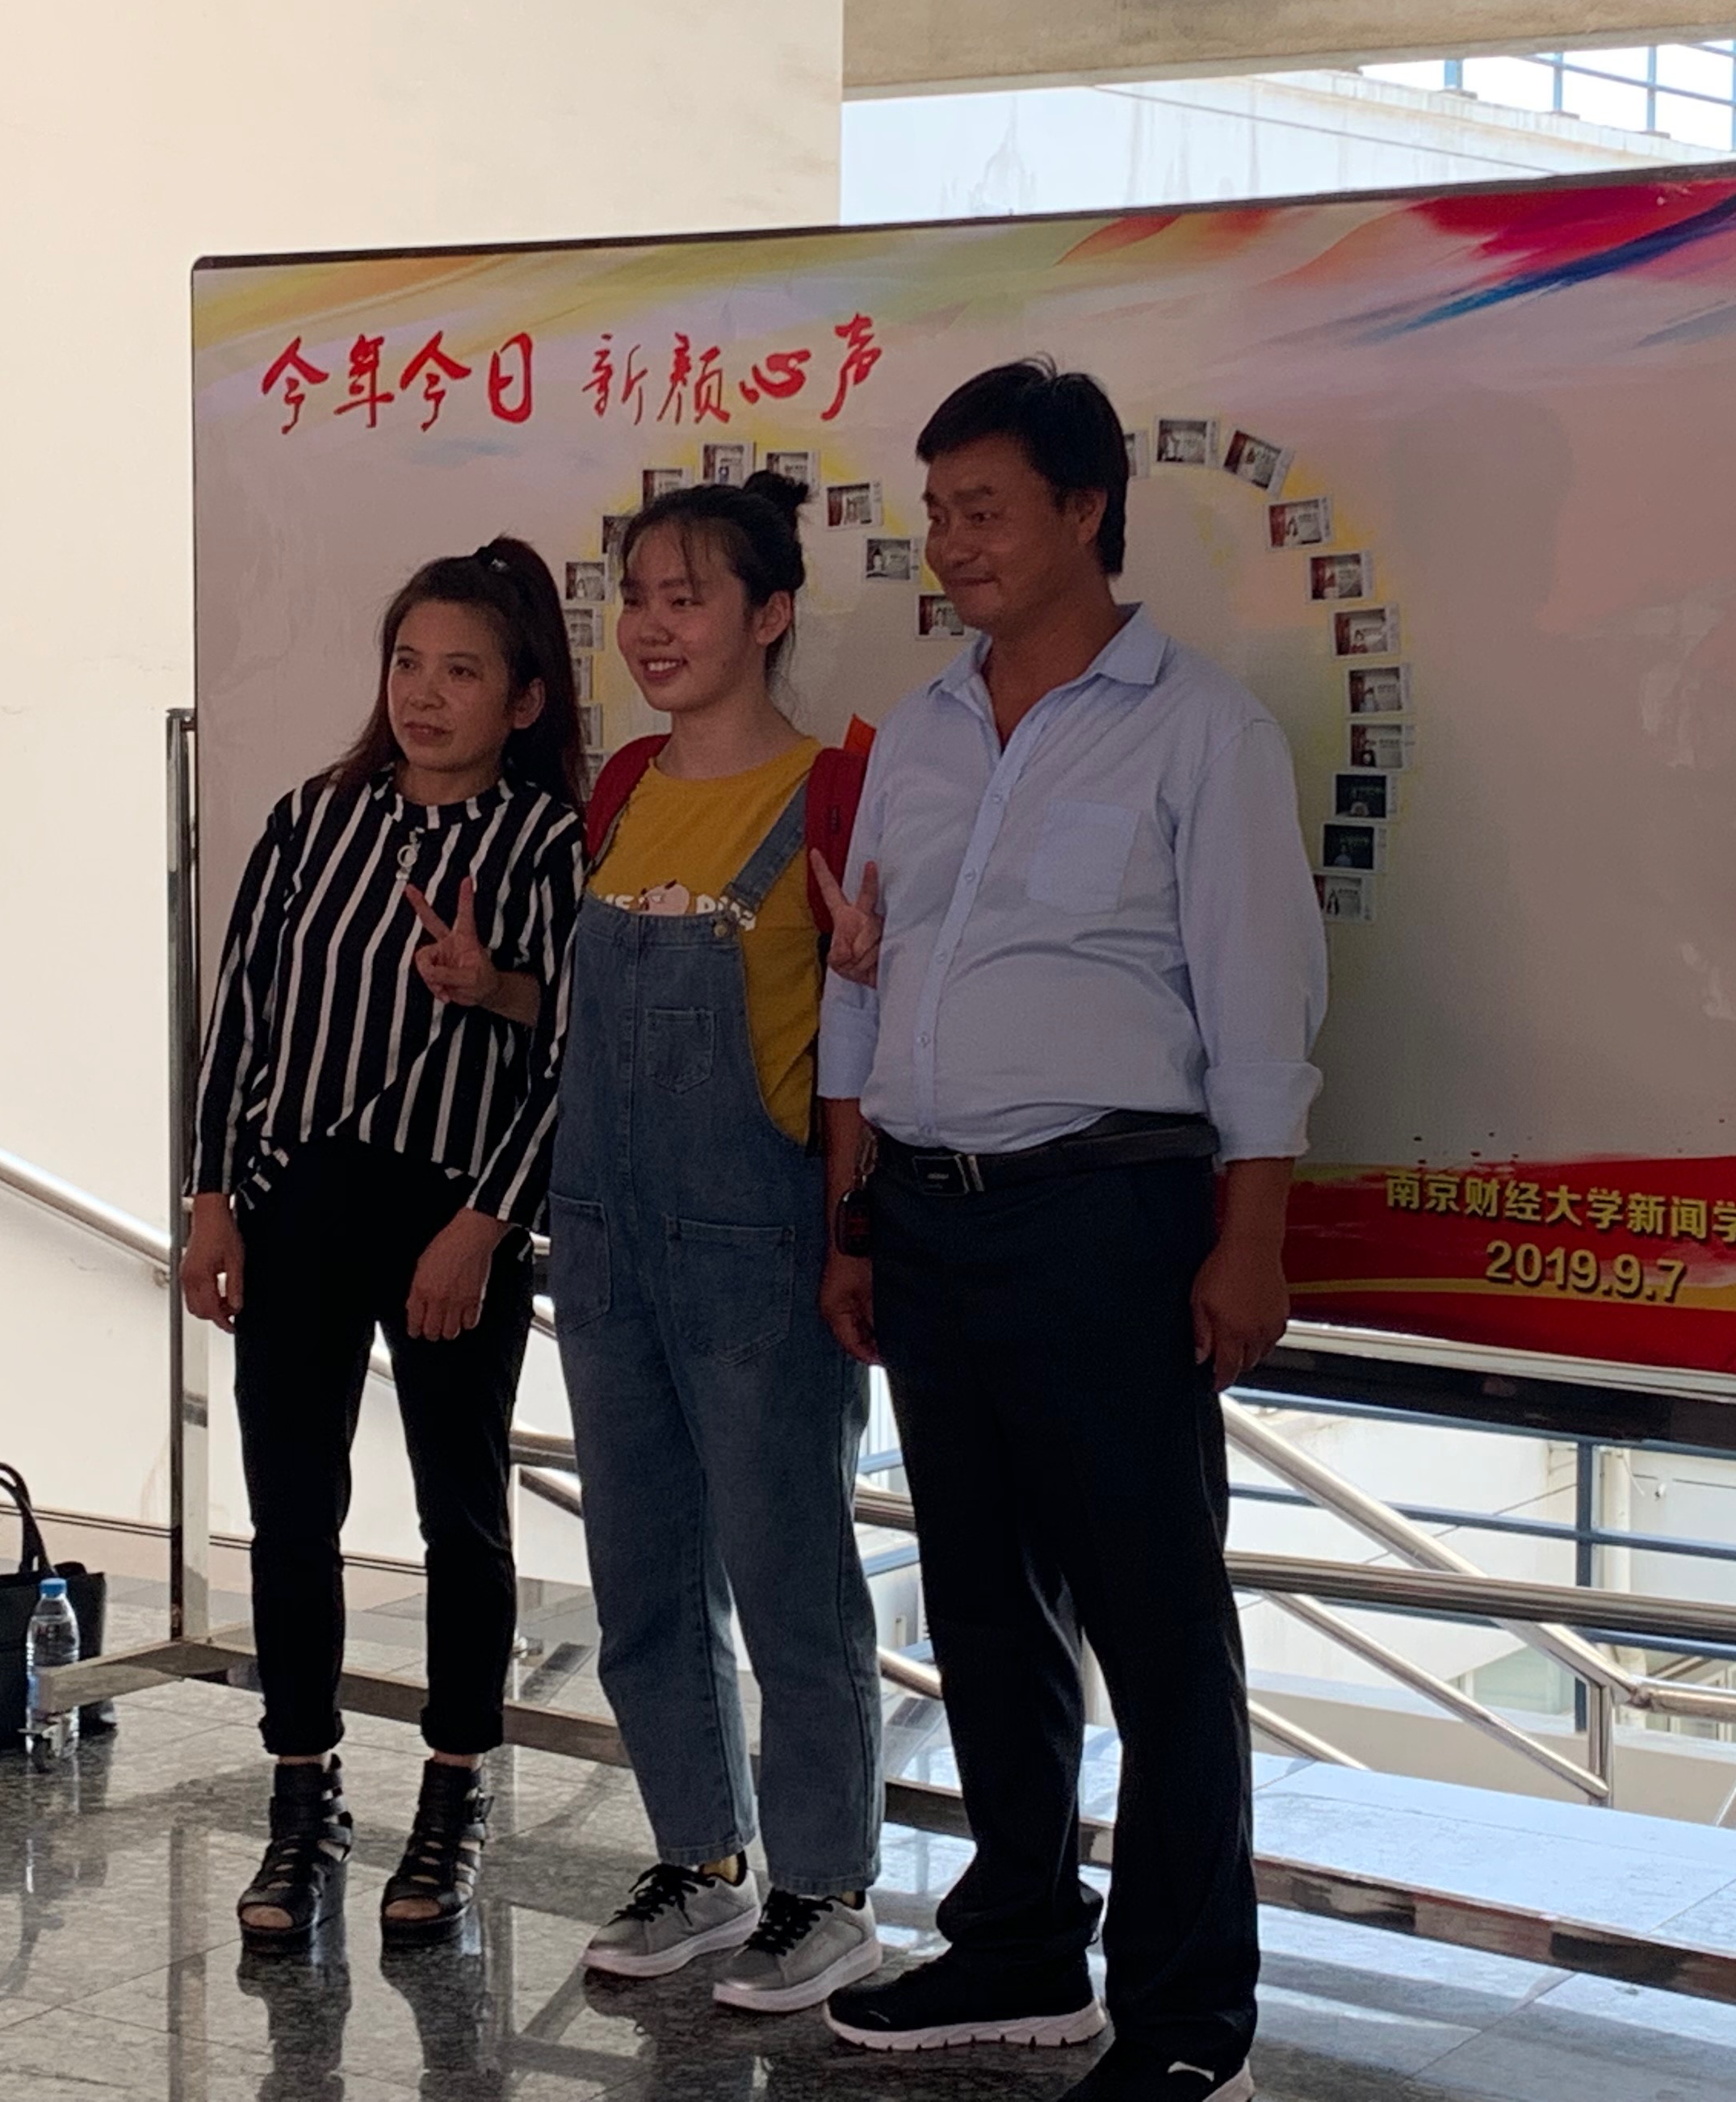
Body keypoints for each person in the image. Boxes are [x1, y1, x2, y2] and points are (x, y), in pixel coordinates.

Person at [811, 360, 1325, 2102]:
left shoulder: (1201, 731)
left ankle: (1187, 2022)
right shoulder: (922, 731)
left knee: (1157, 1624)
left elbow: (1261, 1010)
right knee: (979, 1604)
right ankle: (1023, 1942)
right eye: (937, 510)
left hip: (1110, 1212)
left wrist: (1248, 1241)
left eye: (986, 509)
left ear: (1086, 509)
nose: (952, 542)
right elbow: (862, 981)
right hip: (929, 1215)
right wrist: (853, 1218)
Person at [182, 540, 587, 1951]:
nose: (425, 694)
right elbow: (238, 1014)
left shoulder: (548, 844)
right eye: (408, 663)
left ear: (523, 701)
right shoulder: (312, 818)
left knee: (460, 1517)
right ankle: (302, 1800)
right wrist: (213, 1199)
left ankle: (454, 1795)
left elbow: (571, 1055)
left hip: (455, 1218)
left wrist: (487, 1221)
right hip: (294, 1203)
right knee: (291, 1511)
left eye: (462, 671)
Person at [543, 472, 887, 2014]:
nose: (652, 627)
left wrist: (853, 1235)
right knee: (639, 1575)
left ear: (771, 614)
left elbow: (860, 1050)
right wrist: (497, 989)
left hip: (759, 1241)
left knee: (790, 1573)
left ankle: (827, 1888)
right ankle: (700, 1858)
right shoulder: (621, 787)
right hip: (604, 1240)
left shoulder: (836, 793)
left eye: (688, 598)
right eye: (638, 597)